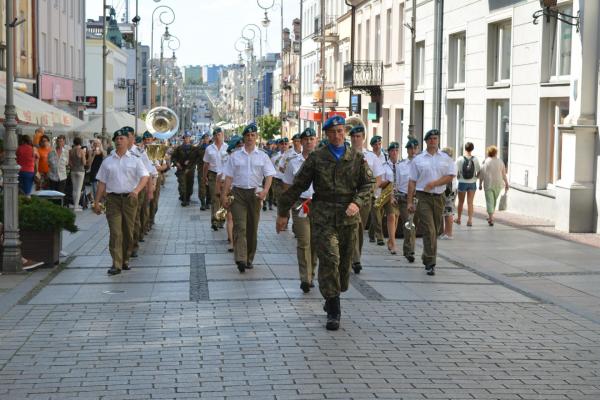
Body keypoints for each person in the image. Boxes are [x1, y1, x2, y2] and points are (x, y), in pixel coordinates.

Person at [276, 115, 374, 331]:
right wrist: (283, 211)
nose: (338, 136)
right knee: (330, 259)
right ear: (327, 135)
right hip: (323, 216)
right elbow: (298, 185)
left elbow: (369, 183)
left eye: (341, 132)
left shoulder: (356, 158)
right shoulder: (317, 157)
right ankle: (333, 309)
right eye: (333, 132)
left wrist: (357, 202)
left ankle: (332, 296)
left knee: (344, 265)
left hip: (349, 217)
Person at [93, 129, 149, 275]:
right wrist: (96, 202)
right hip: (113, 200)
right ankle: (116, 263)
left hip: (130, 199)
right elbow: (102, 183)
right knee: (115, 232)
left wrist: (136, 191)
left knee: (128, 232)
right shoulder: (107, 161)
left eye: (121, 138)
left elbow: (145, 177)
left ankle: (125, 259)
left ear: (128, 141)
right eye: (116, 138)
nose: (118, 141)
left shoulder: (135, 159)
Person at [222, 123, 276, 273]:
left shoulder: (263, 156)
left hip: (255, 194)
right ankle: (240, 257)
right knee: (240, 226)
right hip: (238, 193)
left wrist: (265, 190)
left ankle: (249, 257)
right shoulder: (235, 156)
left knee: (252, 228)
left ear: (256, 137)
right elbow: (228, 177)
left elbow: (269, 175)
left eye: (253, 135)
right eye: (247, 136)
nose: (250, 138)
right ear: (244, 138)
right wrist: (224, 195)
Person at [407, 129, 456, 276]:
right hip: (423, 197)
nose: (433, 141)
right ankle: (430, 262)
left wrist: (435, 183)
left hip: (439, 196)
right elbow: (412, 181)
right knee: (429, 229)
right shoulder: (418, 159)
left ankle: (426, 255)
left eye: (436, 138)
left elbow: (451, 176)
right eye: (431, 139)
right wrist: (410, 202)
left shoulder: (446, 158)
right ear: (426, 141)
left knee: (436, 229)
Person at [282, 127, 318, 293]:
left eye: (312, 139)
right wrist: (284, 210)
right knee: (304, 240)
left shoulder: (322, 160)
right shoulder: (293, 162)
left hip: (318, 204)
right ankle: (305, 278)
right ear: (301, 142)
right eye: (306, 140)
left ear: (315, 141)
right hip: (300, 204)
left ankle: (312, 272)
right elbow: (287, 185)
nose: (309, 142)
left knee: (315, 242)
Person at [348, 124, 383, 274]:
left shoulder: (371, 157)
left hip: (365, 198)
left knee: (360, 228)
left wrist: (369, 192)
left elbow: (379, 179)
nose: (356, 139)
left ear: (363, 138)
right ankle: (354, 259)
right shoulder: (345, 154)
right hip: (349, 198)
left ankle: (356, 256)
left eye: (358, 137)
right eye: (353, 137)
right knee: (353, 227)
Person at [399, 138, 420, 262]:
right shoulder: (401, 165)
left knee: (413, 226)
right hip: (404, 198)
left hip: (418, 198)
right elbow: (397, 183)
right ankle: (410, 251)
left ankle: (407, 248)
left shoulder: (421, 164)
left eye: (415, 148)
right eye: (410, 148)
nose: (413, 150)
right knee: (409, 224)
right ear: (407, 150)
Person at [203, 127, 227, 230]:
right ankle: (215, 221)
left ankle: (221, 220)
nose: (217, 137)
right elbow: (206, 164)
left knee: (223, 199)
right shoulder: (209, 148)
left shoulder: (228, 147)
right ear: (213, 136)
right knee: (215, 198)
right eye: (216, 135)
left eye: (219, 135)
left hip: (225, 176)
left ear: (222, 135)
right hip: (213, 175)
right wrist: (204, 177)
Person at [379, 142, 402, 254]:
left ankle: (390, 239)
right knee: (391, 216)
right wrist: (388, 182)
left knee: (396, 217)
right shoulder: (384, 166)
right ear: (389, 152)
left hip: (399, 193)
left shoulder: (402, 165)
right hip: (388, 193)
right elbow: (380, 183)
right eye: (392, 151)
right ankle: (393, 243)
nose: (395, 153)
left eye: (397, 151)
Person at [479, 145, 509, 226]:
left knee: (490, 201)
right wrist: (506, 183)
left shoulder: (486, 161)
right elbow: (504, 174)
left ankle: (491, 217)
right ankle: (491, 217)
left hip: (488, 184)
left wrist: (480, 184)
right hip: (498, 184)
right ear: (496, 153)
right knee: (493, 201)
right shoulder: (500, 161)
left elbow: (482, 173)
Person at [367, 135, 388, 246]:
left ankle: (371, 233)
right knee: (376, 212)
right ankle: (380, 237)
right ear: (372, 146)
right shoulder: (369, 157)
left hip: (384, 188)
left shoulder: (385, 156)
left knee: (379, 213)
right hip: (374, 188)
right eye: (375, 144)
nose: (377, 146)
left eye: (379, 144)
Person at [455, 142, 480, 227]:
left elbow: (455, 171)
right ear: (472, 149)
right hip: (472, 183)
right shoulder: (475, 159)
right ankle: (469, 221)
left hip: (462, 183)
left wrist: (458, 177)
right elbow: (478, 171)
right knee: (470, 203)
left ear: (464, 149)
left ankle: (458, 219)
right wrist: (476, 178)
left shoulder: (460, 159)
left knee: (461, 202)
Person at [171, 132, 196, 207]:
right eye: (185, 137)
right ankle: (184, 199)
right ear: (183, 138)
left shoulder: (193, 148)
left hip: (190, 170)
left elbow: (196, 159)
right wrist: (177, 163)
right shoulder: (179, 148)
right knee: (182, 184)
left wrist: (190, 161)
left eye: (188, 137)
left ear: (190, 138)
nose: (187, 139)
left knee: (190, 185)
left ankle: (187, 197)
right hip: (181, 169)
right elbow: (173, 157)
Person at [440, 147, 457, 240]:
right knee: (446, 212)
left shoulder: (450, 164)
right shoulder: (451, 163)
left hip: (449, 190)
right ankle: (445, 232)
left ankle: (449, 233)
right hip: (449, 189)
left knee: (448, 212)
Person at [68, 136, 87, 211]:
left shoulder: (70, 151)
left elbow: (69, 162)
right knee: (79, 189)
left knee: (74, 189)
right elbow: (84, 162)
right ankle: (76, 206)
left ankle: (75, 204)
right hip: (80, 171)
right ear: (80, 143)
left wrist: (73, 166)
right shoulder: (82, 151)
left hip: (73, 170)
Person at [196, 133, 211, 210]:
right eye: (205, 138)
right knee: (202, 186)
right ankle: (202, 203)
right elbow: (195, 158)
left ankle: (208, 202)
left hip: (211, 170)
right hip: (201, 170)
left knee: (209, 187)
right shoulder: (199, 148)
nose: (206, 140)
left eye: (207, 138)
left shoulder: (213, 147)